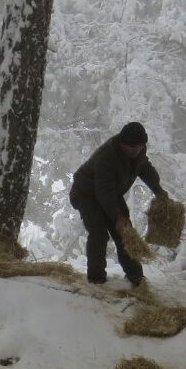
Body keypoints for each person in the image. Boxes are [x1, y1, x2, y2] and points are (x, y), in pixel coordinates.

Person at [69, 122, 167, 286]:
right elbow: (103, 191)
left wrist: (159, 191)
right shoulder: (106, 157)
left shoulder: (139, 152)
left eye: (140, 146)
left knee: (126, 232)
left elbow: (144, 168)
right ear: (122, 143)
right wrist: (117, 217)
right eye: (132, 146)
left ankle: (136, 277)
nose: (136, 150)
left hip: (110, 192)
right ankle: (96, 280)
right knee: (99, 233)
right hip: (85, 193)